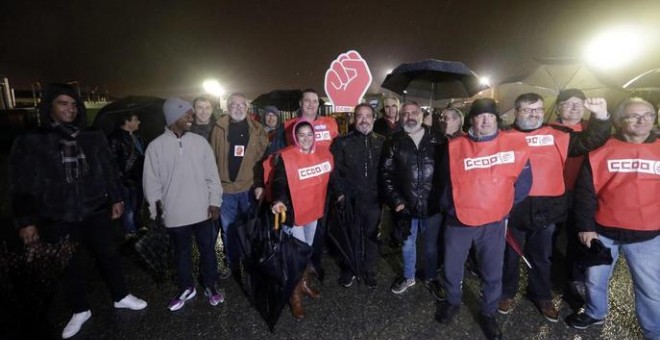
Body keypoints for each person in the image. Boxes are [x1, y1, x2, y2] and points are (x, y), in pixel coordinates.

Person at [10, 83, 147, 339]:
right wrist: (26, 221)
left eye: (73, 104)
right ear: (49, 106)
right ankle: (80, 309)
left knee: (109, 254)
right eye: (63, 103)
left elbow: (108, 169)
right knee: (69, 265)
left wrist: (116, 198)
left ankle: (121, 295)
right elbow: (21, 184)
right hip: (58, 214)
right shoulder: (33, 140)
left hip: (95, 208)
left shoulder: (91, 136)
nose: (70, 109)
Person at [499, 92, 611, 323]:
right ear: (517, 112)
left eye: (539, 109)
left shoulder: (558, 135)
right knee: (509, 255)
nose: (534, 114)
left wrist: (600, 116)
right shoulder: (503, 137)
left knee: (542, 256)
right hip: (513, 208)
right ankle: (506, 292)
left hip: (547, 210)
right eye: (528, 110)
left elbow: (591, 140)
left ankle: (541, 295)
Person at [435, 98, 532, 340]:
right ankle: (452, 301)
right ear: (472, 120)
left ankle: (488, 312)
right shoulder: (455, 146)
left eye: (491, 116)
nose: (486, 120)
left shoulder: (513, 144)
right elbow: (443, 182)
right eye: (480, 116)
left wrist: (502, 205)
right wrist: (450, 207)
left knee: (491, 270)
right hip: (459, 220)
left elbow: (523, 182)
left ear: (497, 120)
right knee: (452, 266)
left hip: (493, 221)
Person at [566, 98, 660, 339]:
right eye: (634, 116)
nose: (642, 120)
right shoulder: (601, 150)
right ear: (620, 121)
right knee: (595, 279)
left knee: (650, 289)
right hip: (603, 232)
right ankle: (596, 312)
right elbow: (585, 193)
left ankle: (654, 331)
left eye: (648, 115)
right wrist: (586, 227)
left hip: (648, 236)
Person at [143, 97, 224, 312]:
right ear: (172, 117)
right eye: (186, 113)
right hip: (174, 214)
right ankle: (186, 287)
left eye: (191, 113)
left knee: (207, 250)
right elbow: (151, 185)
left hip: (203, 211)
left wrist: (215, 202)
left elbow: (212, 177)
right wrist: (155, 214)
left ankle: (210, 285)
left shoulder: (200, 143)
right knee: (181, 253)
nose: (191, 117)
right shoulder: (155, 147)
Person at [270, 119, 334, 319]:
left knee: (306, 252)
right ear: (295, 137)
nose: (306, 138)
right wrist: (279, 200)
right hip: (293, 215)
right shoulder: (286, 157)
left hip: (313, 213)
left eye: (309, 134)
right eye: (301, 135)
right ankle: (294, 296)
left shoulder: (322, 154)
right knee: (294, 257)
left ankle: (304, 283)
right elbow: (279, 181)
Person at [379, 101, 444, 295]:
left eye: (414, 112)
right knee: (408, 244)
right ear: (400, 117)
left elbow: (446, 172)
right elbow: (385, 174)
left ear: (422, 115)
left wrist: (443, 199)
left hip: (432, 204)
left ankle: (432, 277)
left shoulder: (438, 139)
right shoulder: (393, 140)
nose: (410, 117)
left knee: (431, 246)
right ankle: (408, 277)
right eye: (405, 114)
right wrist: (396, 201)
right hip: (405, 206)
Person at [209, 92, 269, 272]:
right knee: (229, 229)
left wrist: (260, 184)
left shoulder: (257, 129)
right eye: (234, 105)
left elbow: (263, 160)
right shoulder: (218, 128)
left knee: (250, 227)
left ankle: (249, 259)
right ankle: (233, 261)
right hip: (226, 189)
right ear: (228, 107)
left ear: (247, 107)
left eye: (242, 104)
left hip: (248, 188)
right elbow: (211, 158)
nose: (238, 108)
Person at [330, 104, 385, 288]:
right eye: (360, 116)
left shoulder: (382, 142)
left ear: (374, 118)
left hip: (374, 199)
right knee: (350, 236)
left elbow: (387, 172)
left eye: (368, 116)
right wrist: (339, 194)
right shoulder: (342, 142)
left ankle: (368, 269)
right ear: (354, 119)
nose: (364, 120)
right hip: (350, 199)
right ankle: (349, 268)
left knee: (371, 237)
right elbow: (334, 171)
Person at [550, 88, 589, 307]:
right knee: (549, 237)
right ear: (557, 107)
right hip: (554, 193)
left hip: (582, 194)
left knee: (578, 238)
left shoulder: (593, 130)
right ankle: (546, 275)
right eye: (568, 103)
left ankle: (575, 280)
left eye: (579, 103)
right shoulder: (548, 129)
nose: (575, 107)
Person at [108, 112, 145, 239]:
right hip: (125, 179)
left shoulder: (135, 137)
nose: (139, 122)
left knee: (137, 204)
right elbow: (112, 161)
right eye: (136, 119)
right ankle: (130, 230)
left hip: (136, 177)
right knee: (128, 206)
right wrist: (122, 178)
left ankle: (136, 225)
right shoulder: (115, 138)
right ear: (127, 122)